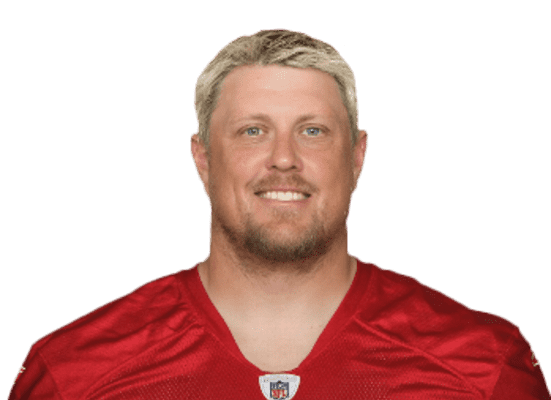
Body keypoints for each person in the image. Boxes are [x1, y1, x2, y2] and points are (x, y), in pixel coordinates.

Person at [7, 29, 550, 400]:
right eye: (253, 131)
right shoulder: (74, 373)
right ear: (202, 159)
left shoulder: (483, 367)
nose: (284, 158)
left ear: (357, 157)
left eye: (313, 130)